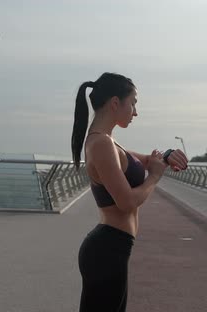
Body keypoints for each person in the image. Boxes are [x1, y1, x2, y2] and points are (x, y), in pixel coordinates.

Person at [71, 72, 188, 312]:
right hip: (107, 251)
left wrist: (165, 156)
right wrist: (155, 177)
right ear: (115, 103)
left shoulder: (109, 143)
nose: (135, 111)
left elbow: (144, 160)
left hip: (111, 249)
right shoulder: (102, 144)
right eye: (133, 102)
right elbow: (126, 202)